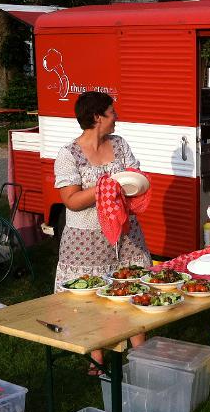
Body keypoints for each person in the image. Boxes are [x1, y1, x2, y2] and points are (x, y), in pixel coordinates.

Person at [53, 91, 150, 373]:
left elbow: (135, 178)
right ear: (97, 117)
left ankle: (141, 356)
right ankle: (96, 359)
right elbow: (71, 200)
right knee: (91, 297)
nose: (116, 117)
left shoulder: (119, 144)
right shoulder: (68, 154)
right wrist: (104, 188)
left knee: (133, 288)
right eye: (111, 112)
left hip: (125, 234)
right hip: (86, 239)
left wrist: (132, 185)